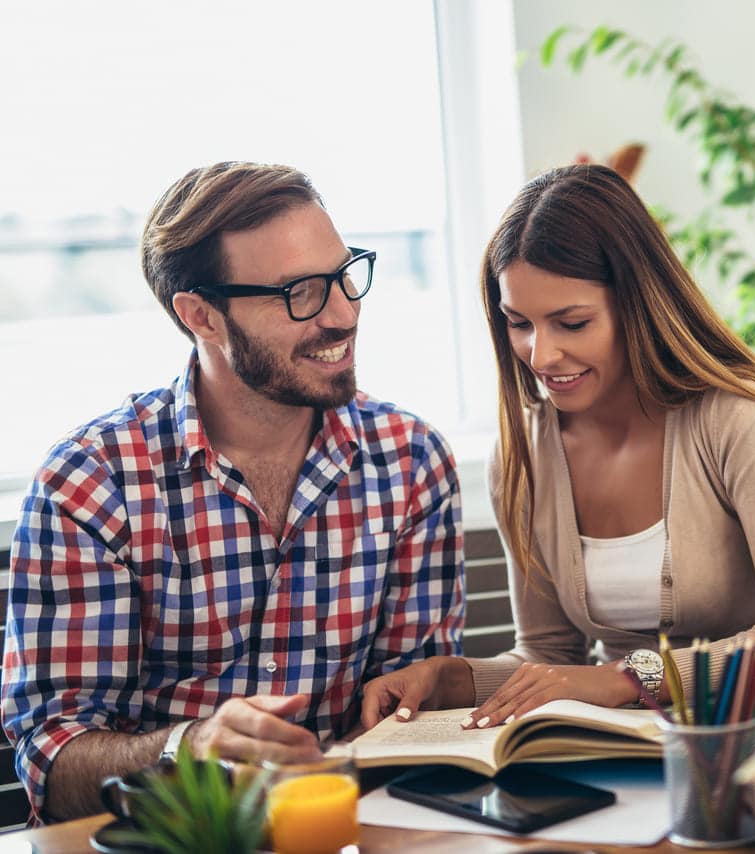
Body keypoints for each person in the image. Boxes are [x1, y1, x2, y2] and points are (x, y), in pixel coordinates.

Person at [1, 162, 465, 822]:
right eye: (300, 291)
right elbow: (54, 769)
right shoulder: (91, 484)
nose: (342, 313)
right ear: (200, 316)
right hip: (165, 837)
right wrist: (188, 748)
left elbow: (417, 712)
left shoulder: (411, 461)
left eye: (344, 275)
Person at [361, 164, 755, 730]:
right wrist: (448, 678)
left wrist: (627, 677)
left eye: (571, 323)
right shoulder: (524, 453)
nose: (540, 355)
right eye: (519, 323)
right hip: (625, 750)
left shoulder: (735, 424)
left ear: (638, 305)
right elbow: (552, 659)